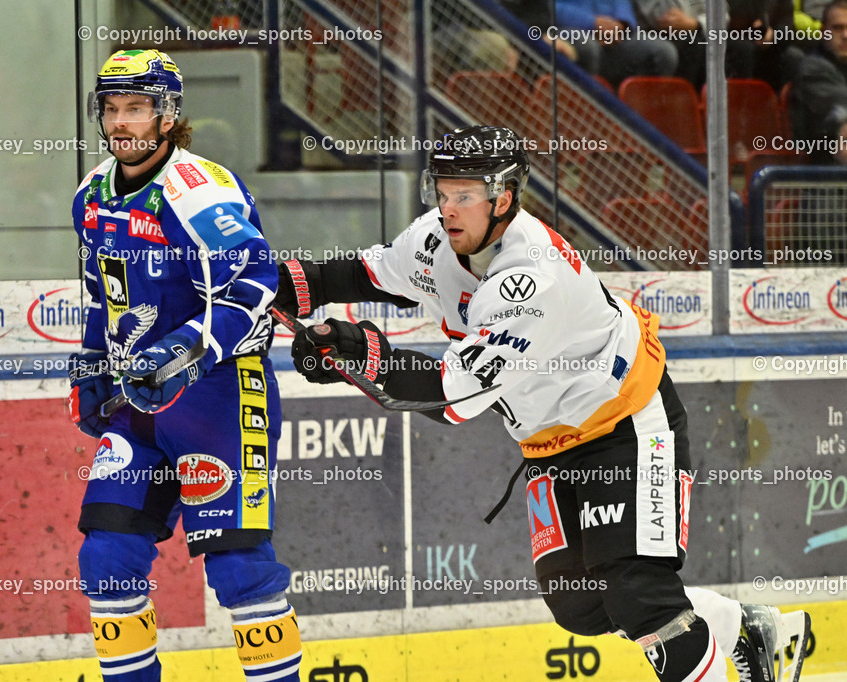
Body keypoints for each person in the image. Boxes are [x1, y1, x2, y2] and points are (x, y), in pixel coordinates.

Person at [275, 125, 810, 682]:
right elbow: (370, 273)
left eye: (465, 195)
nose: (448, 208)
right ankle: (746, 627)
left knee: (636, 592)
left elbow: (455, 396)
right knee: (581, 606)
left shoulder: (532, 277)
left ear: (503, 198)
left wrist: (361, 353)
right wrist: (283, 283)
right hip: (547, 442)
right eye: (442, 191)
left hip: (625, 422)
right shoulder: (438, 236)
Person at [68, 49, 301, 682]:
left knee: (239, 567)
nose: (121, 123)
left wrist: (188, 347)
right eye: (112, 109)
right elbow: (102, 290)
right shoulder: (91, 193)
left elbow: (259, 281)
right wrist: (93, 360)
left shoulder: (197, 190)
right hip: (139, 403)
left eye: (136, 109)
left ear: (167, 116)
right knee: (107, 555)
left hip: (222, 398)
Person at [791, 0, 847, 161]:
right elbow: (841, 105)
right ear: (823, 32)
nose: (845, 35)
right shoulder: (812, 69)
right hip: (822, 173)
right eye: (838, 28)